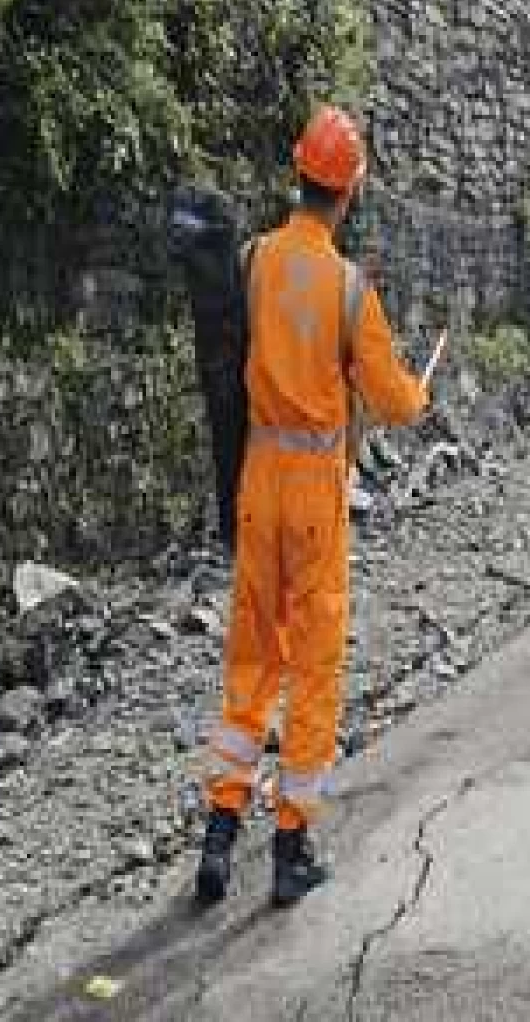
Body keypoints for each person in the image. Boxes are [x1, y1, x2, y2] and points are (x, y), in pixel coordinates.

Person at [196, 106, 431, 907]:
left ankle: (221, 832)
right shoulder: (350, 288)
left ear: (297, 173)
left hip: (257, 477)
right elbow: (394, 400)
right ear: (351, 191)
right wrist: (417, 392)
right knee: (314, 665)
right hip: (315, 494)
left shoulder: (255, 258)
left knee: (251, 656)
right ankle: (291, 843)